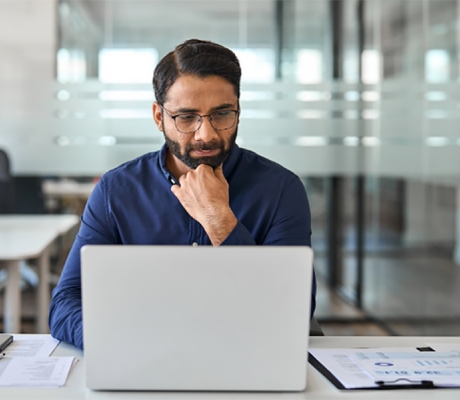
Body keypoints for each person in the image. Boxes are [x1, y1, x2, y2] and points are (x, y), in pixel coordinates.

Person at [49, 39, 316, 349]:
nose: (207, 134)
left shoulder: (281, 189)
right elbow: (65, 303)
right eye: (186, 117)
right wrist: (120, 343)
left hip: (245, 353)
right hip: (141, 355)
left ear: (239, 111)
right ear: (159, 116)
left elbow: (292, 312)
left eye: (222, 114)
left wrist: (219, 219)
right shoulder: (116, 191)